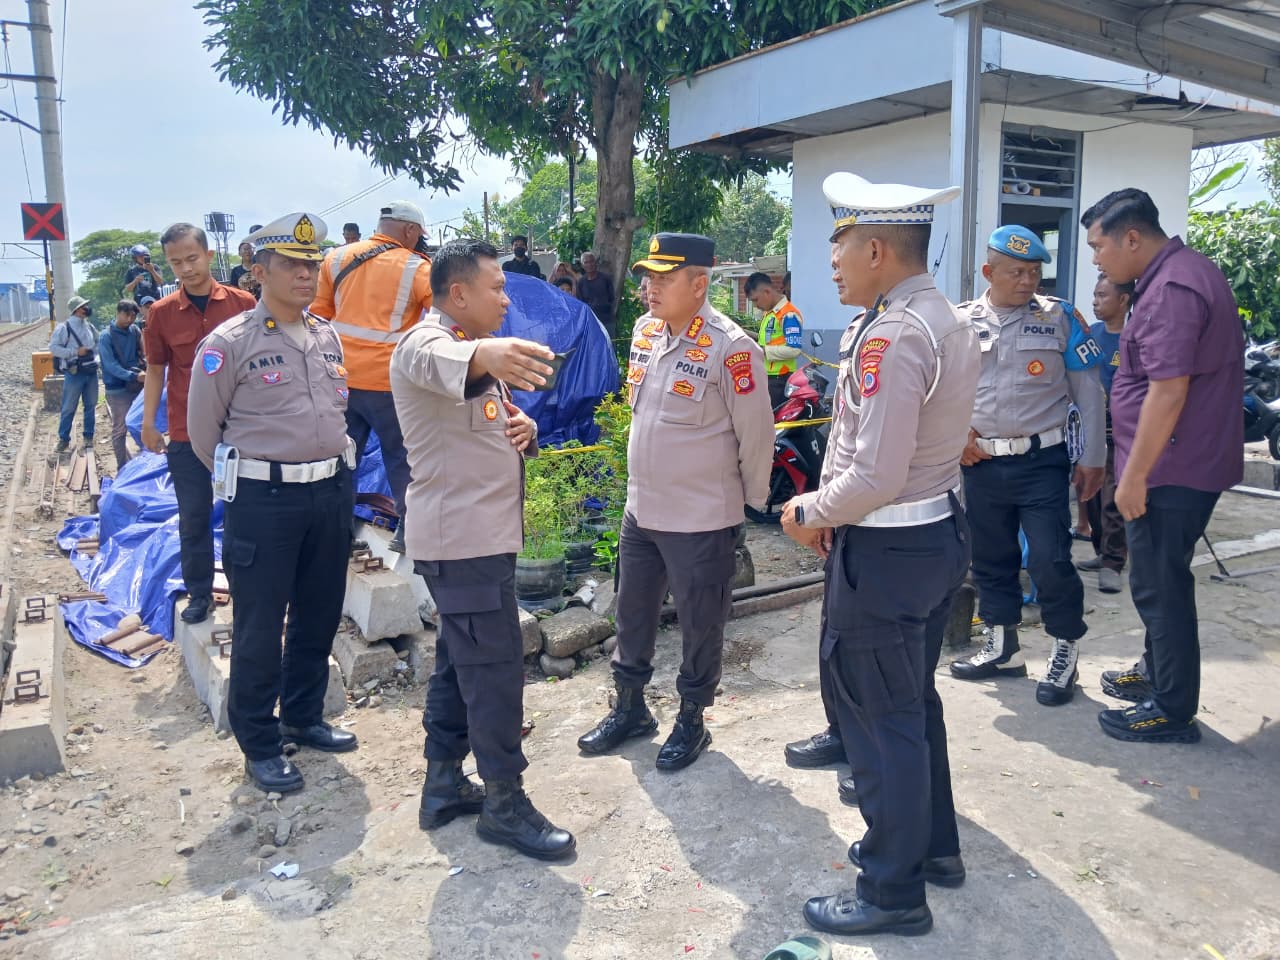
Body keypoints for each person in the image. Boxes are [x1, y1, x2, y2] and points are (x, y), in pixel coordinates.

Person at [780, 173, 977, 939]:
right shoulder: (941, 318)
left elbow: (877, 472)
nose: (831, 263)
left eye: (839, 247)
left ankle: (893, 890)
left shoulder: (895, 335)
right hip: (930, 537)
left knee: (880, 720)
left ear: (875, 250)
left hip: (889, 548)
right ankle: (933, 850)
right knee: (912, 706)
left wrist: (809, 512)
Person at [390, 239, 575, 860]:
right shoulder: (427, 343)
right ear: (458, 293)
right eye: (496, 287)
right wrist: (491, 351)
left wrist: (524, 430)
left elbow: (478, 425)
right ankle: (504, 803)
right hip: (462, 544)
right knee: (494, 671)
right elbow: (446, 359)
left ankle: (443, 783)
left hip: (479, 540)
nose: (505, 299)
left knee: (457, 661)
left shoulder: (471, 354)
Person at [577, 232, 773, 771]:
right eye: (648, 276)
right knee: (632, 612)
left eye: (663, 278)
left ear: (699, 284)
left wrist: (748, 506)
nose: (649, 287)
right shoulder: (646, 332)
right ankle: (631, 708)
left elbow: (757, 436)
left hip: (700, 516)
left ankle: (692, 718)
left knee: (700, 622)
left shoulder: (732, 348)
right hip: (642, 508)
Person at [187, 212, 358, 794]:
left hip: (330, 491)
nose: (306, 275)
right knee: (260, 625)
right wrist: (262, 477)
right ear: (259, 271)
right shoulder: (228, 344)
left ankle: (304, 716)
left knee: (319, 611)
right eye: (291, 265)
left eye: (312, 265)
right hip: (265, 500)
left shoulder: (326, 335)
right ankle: (259, 742)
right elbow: (204, 435)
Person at [1083, 188, 1243, 744]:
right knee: (1159, 577)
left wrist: (1133, 478)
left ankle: (1171, 709)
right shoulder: (1177, 273)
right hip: (1177, 461)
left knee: (1160, 586)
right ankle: (1156, 672)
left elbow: (1168, 391)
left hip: (1170, 468)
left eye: (1098, 247)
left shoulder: (1172, 289)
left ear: (1131, 238)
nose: (1096, 260)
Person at [948, 225, 1106, 708]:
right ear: (988, 272)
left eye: (1035, 272)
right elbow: (941, 391)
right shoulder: (958, 322)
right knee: (990, 558)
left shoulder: (1060, 317)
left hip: (1042, 461)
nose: (1027, 281)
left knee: (1049, 559)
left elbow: (1089, 393)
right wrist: (955, 438)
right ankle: (1003, 648)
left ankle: (1064, 650)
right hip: (981, 462)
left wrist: (1094, 459)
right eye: (1016, 272)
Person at [142, 223, 257, 625]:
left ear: (209, 256)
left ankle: (246, 594)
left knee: (243, 516)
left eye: (192, 258)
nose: (186, 268)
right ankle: (200, 594)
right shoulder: (161, 314)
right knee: (193, 518)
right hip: (186, 434)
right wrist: (149, 423)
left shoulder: (243, 303)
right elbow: (156, 370)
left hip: (238, 432)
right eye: (176, 262)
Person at [310, 201, 433, 554]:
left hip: (340, 381)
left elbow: (318, 316)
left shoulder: (335, 258)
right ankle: (409, 532)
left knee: (342, 459)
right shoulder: (416, 267)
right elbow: (441, 315)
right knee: (403, 457)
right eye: (418, 235)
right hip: (389, 383)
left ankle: (338, 532)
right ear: (409, 230)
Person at [1076, 273, 1133, 594]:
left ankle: (1113, 562)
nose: (1095, 302)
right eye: (1095, 295)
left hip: (1121, 432)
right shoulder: (1091, 335)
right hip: (1090, 429)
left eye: (1103, 296)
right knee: (1092, 494)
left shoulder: (1134, 339)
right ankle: (1101, 551)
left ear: (1123, 300)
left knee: (1113, 496)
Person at [98, 300, 146, 471]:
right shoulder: (106, 336)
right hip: (118, 388)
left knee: (142, 424)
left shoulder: (134, 331)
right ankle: (122, 467)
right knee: (120, 429)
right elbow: (110, 366)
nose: (130, 319)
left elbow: (143, 352)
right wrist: (133, 375)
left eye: (133, 316)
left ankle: (145, 463)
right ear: (118, 313)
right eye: (127, 315)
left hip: (136, 385)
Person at [745, 271, 804, 409]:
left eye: (756, 300)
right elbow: (766, 340)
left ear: (767, 292)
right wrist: (743, 332)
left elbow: (794, 350)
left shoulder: (788, 315)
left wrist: (763, 350)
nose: (756, 305)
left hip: (780, 380)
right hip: (768, 377)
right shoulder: (771, 313)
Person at [50, 296, 100, 454]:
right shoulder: (63, 328)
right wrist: (75, 352)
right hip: (74, 373)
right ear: (77, 309)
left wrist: (97, 359)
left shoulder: (90, 326)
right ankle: (64, 439)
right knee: (69, 407)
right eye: (84, 306)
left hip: (91, 372)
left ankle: (88, 437)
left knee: (90, 406)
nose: (87, 308)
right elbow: (54, 348)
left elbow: (98, 345)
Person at [576, 251, 616, 337]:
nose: (589, 264)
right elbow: (581, 303)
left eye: (591, 261)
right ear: (582, 265)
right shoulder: (581, 283)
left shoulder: (605, 279)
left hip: (607, 320)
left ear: (595, 262)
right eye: (586, 262)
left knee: (610, 343)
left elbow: (611, 298)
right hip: (590, 322)